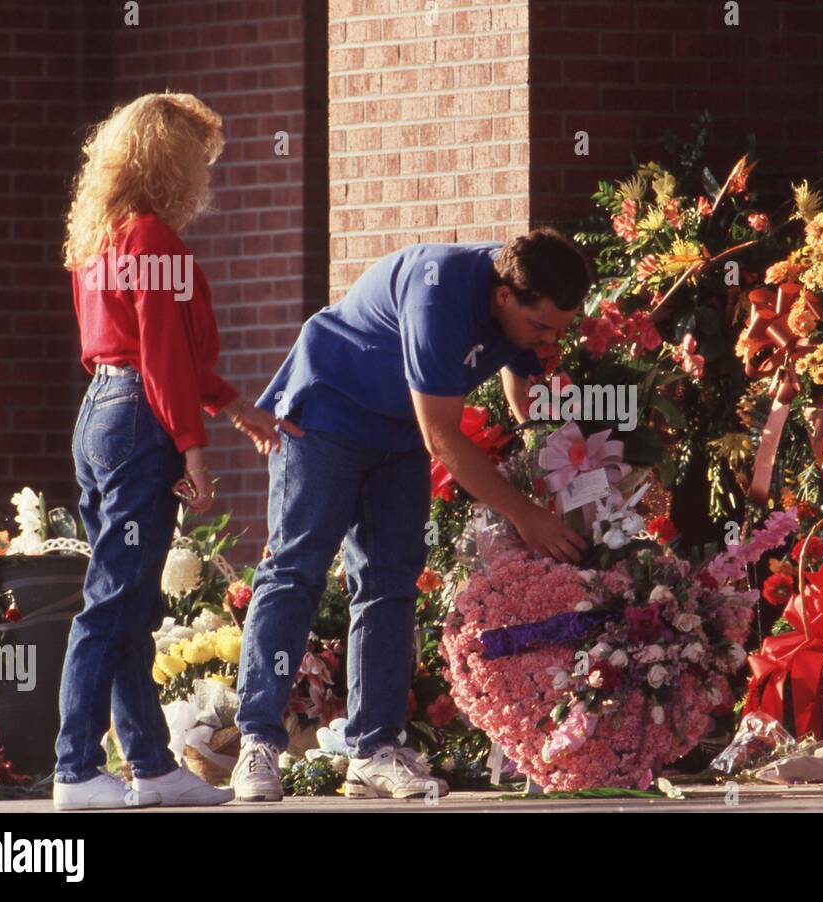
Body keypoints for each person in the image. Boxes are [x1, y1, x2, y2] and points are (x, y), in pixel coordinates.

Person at [231, 229, 591, 801]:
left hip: (396, 432)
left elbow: (519, 379)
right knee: (296, 572)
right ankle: (257, 744)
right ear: (503, 297)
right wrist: (526, 515)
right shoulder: (439, 292)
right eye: (542, 327)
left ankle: (372, 751)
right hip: (325, 417)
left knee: (389, 583)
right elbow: (442, 435)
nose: (549, 339)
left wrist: (544, 453)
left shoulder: (525, 283)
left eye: (558, 328)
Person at [55, 93, 298, 810]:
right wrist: (193, 446)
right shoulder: (153, 239)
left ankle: (151, 766)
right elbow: (162, 357)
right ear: (172, 160)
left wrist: (235, 407)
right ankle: (73, 768)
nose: (204, 174)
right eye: (196, 157)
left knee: (125, 603)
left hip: (101, 411)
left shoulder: (99, 238)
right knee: (111, 603)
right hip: (138, 418)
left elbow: (143, 353)